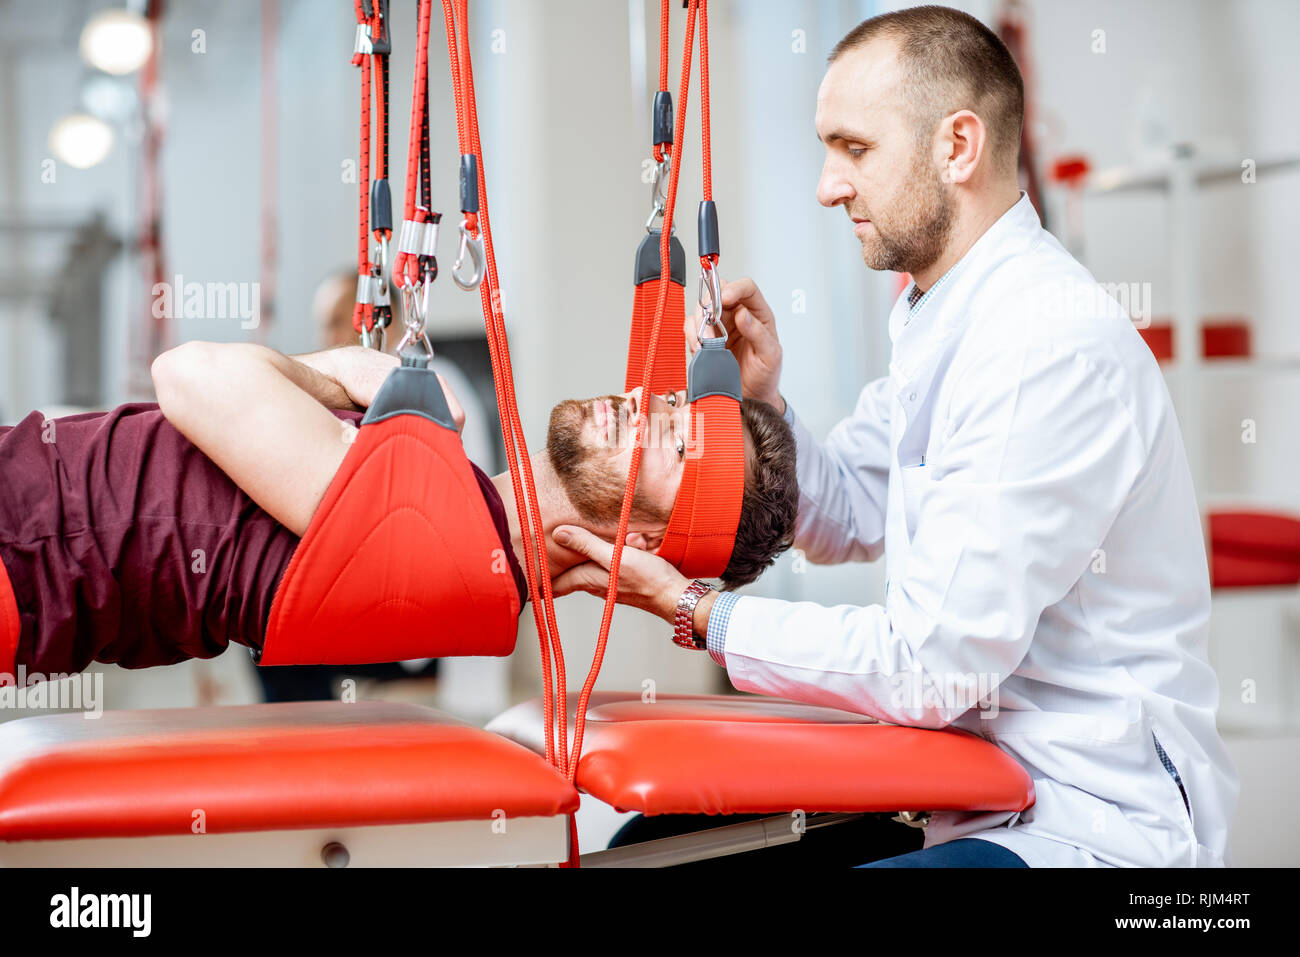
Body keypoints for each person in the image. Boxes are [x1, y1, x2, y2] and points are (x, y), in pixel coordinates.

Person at [551, 6, 1238, 868]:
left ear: (958, 147)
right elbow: (852, 507)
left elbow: (931, 666)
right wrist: (767, 402)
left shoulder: (1042, 347)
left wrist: (700, 612)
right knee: (652, 848)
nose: (826, 185)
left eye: (854, 148)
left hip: (1086, 820)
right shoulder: (940, 313)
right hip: (967, 781)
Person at [0, 340, 796, 679]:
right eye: (666, 400)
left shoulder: (442, 544)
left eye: (676, 443)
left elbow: (188, 373)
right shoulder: (462, 513)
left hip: (21, 546)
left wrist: (343, 368)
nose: (638, 402)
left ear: (654, 538)